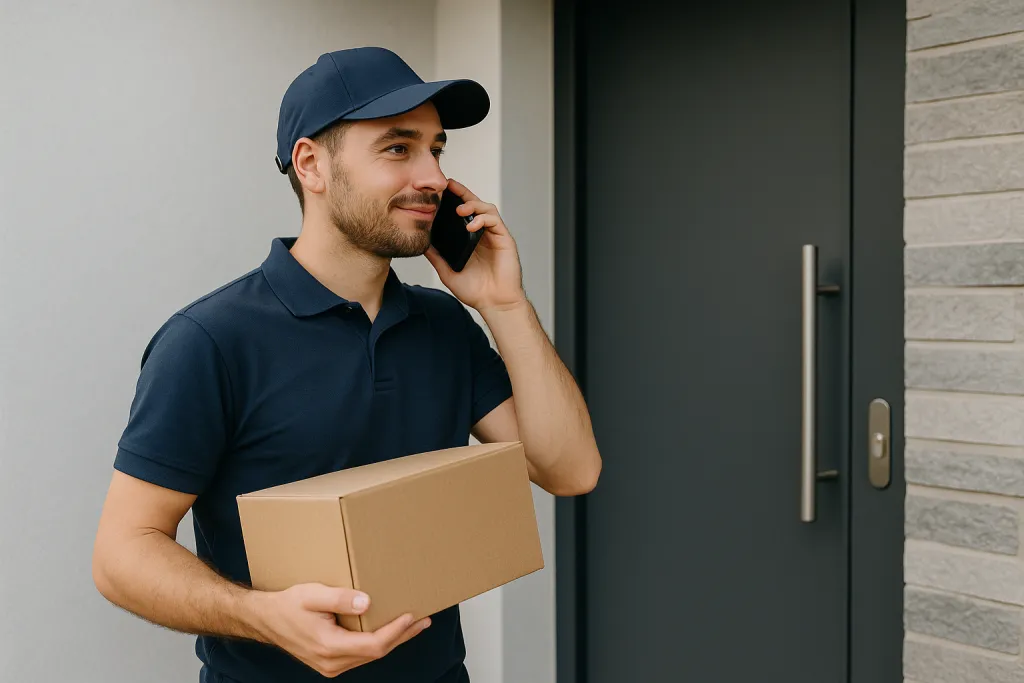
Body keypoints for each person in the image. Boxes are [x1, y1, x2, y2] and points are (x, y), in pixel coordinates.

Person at [91, 47, 601, 683]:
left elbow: (571, 470)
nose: (433, 176)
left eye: (436, 150)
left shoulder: (444, 325)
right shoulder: (210, 340)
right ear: (312, 165)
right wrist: (261, 615)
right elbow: (122, 553)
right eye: (397, 148)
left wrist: (504, 302)